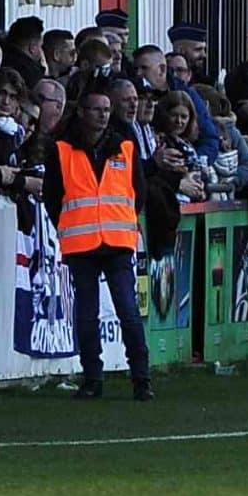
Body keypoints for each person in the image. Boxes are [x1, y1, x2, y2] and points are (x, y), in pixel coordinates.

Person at [39, 82, 156, 400]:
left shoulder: (125, 146)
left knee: (127, 311)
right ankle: (93, 377)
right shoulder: (61, 149)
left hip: (116, 241)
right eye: (96, 110)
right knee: (88, 314)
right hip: (83, 243)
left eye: (106, 110)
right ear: (81, 112)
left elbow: (139, 192)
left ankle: (141, 378)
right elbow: (52, 196)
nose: (103, 115)